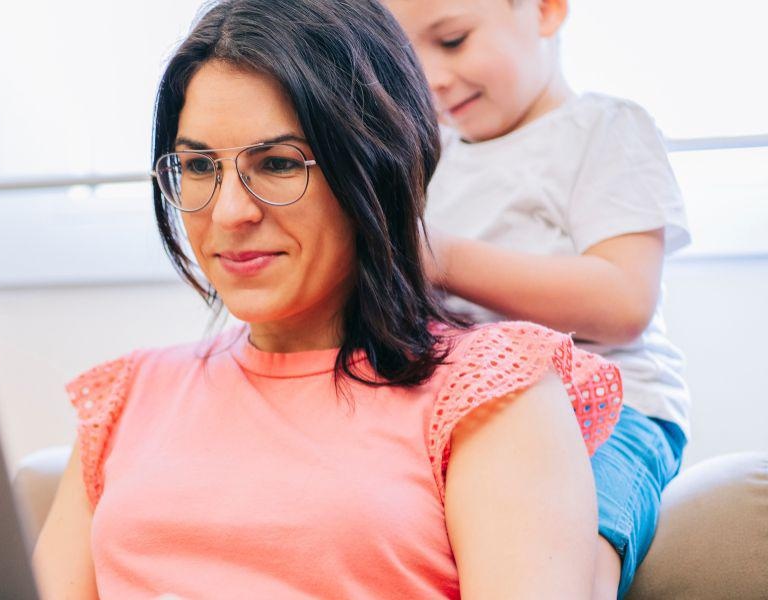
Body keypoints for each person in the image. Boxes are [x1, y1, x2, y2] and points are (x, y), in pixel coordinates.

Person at [34, 0, 622, 597]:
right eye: (199, 165)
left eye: (278, 163)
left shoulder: (492, 391)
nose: (230, 212)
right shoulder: (125, 397)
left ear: (378, 164)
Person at [383, 0, 690, 597]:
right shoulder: (430, 156)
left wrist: (443, 259)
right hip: (469, 418)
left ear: (546, 10)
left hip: (609, 411)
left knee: (566, 549)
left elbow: (625, 301)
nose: (431, 78)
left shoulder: (604, 129)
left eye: (452, 40)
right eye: (407, 58)